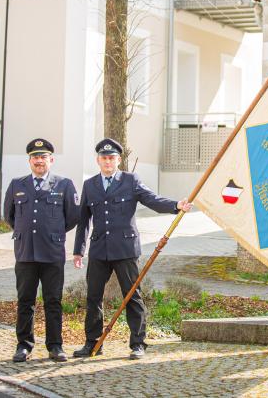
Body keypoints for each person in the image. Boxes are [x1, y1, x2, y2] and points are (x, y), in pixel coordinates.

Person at [72, 138, 192, 360]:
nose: (108, 161)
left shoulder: (130, 180)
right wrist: (79, 250)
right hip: (99, 249)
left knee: (132, 296)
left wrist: (176, 205)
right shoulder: (90, 185)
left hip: (125, 248)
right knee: (93, 297)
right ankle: (92, 343)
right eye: (104, 158)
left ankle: (138, 343)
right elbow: (83, 220)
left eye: (112, 158)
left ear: (118, 160)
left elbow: (151, 200)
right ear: (98, 160)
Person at [4, 138, 79, 363]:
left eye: (43, 157)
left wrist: (52, 233)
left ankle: (55, 346)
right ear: (29, 161)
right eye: (35, 157)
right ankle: (24, 346)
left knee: (53, 301)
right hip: (26, 252)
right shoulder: (17, 185)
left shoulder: (64, 184)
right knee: (25, 300)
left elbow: (72, 217)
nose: (39, 161)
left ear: (51, 160)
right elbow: (10, 216)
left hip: (52, 253)